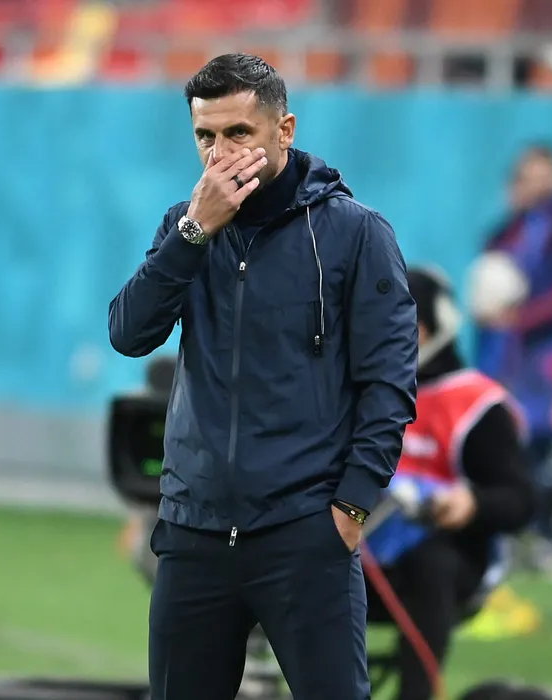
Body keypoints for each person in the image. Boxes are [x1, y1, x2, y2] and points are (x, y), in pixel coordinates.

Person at [108, 53, 418, 700]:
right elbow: (129, 334)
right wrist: (195, 233)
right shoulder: (185, 227)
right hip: (194, 533)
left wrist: (351, 506)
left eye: (238, 133)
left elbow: (388, 382)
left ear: (285, 130)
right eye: (205, 136)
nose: (220, 154)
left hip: (305, 533)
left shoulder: (355, 234)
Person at [365, 267, 536, 700]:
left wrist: (472, 502)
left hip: (448, 562)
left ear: (424, 329)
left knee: (430, 560)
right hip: (358, 550)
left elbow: (521, 500)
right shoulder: (356, 389)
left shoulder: (476, 404)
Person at [474, 144, 552, 481]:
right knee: (499, 441)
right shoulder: (509, 229)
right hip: (506, 356)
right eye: (524, 177)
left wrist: (521, 319)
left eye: (541, 176)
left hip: (549, 355)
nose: (532, 185)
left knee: (545, 452)